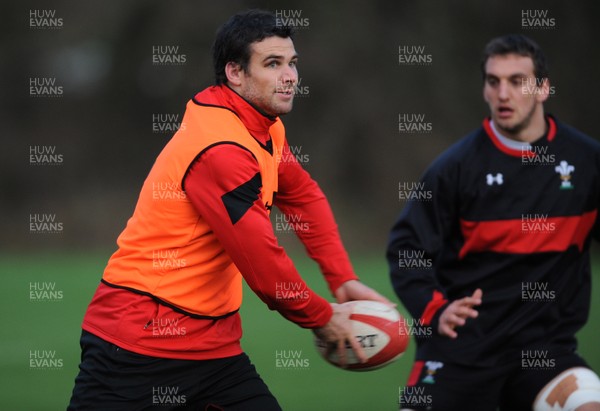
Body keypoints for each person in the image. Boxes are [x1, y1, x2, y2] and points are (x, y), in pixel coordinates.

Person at [68, 9, 389, 410]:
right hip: (137, 346)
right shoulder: (222, 149)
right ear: (234, 73)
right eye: (273, 64)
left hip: (213, 351)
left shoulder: (263, 125)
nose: (290, 76)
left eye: (292, 63)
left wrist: (342, 278)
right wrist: (323, 316)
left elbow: (302, 195)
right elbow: (265, 270)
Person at [388, 34, 600, 411]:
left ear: (543, 88)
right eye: (493, 81)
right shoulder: (454, 169)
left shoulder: (587, 163)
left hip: (544, 353)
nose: (503, 93)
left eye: (517, 81)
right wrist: (436, 309)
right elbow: (406, 250)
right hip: (460, 353)